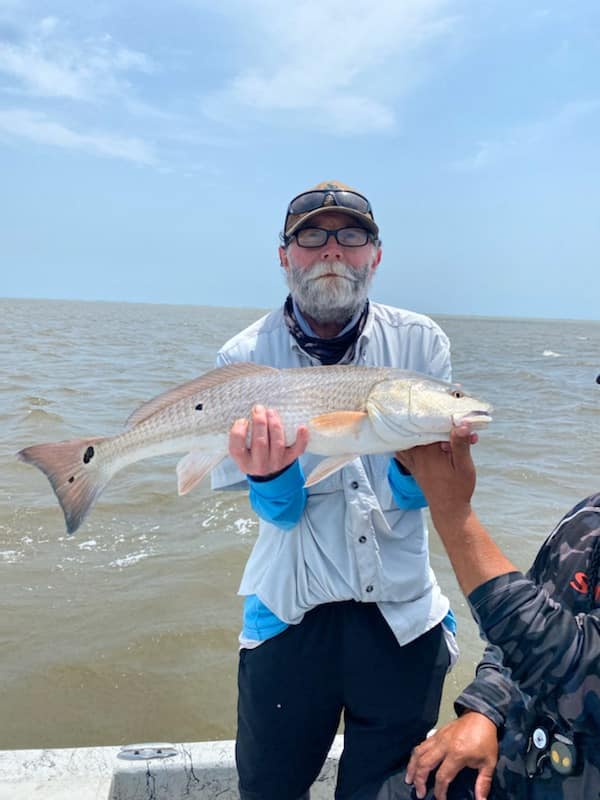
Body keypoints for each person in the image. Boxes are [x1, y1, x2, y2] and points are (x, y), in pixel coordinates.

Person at [210, 180, 459, 800]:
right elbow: (283, 512)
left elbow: (415, 497)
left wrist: (414, 460)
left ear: (375, 255)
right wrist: (269, 477)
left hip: (401, 620)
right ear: (284, 255)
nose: (331, 251)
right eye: (312, 236)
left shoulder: (420, 344)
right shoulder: (245, 356)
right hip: (288, 617)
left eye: (351, 236)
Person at [380, 424, 600, 800]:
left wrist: (452, 511)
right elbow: (511, 643)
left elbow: (573, 667)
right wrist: (484, 710)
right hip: (517, 765)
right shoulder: (587, 520)